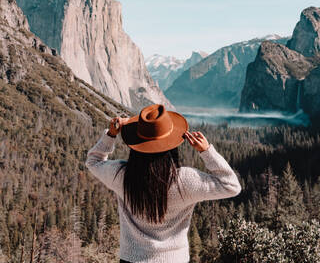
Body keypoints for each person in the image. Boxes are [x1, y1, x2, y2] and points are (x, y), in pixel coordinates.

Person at [85, 103, 241, 263]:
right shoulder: (185, 181)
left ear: (135, 145)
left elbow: (93, 161)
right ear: (172, 145)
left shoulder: (122, 175)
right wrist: (206, 151)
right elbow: (232, 186)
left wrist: (111, 134)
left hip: (131, 259)